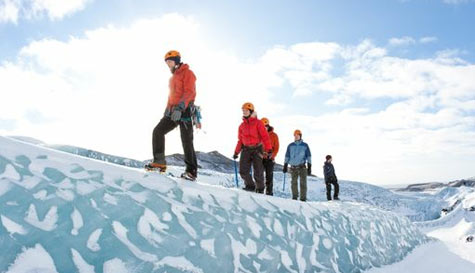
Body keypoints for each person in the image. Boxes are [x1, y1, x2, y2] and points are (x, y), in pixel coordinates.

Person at [145, 50, 198, 181]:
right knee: (158, 131)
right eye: (166, 62)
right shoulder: (172, 78)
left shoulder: (188, 73)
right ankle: (159, 162)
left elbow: (190, 92)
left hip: (184, 110)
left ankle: (191, 172)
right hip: (172, 111)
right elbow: (171, 96)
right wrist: (167, 111)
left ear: (177, 61)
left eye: (170, 61)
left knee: (186, 140)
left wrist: (180, 108)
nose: (168, 64)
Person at [233, 103, 272, 193]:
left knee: (258, 171)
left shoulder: (258, 123)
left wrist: (269, 149)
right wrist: (236, 152)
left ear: (251, 111)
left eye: (246, 110)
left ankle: (260, 189)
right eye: (243, 111)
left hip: (257, 149)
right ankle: (250, 186)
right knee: (243, 171)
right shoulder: (241, 126)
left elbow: (265, 137)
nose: (244, 112)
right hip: (246, 149)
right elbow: (240, 140)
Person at [283, 130, 311, 201]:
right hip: (293, 167)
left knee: (303, 183)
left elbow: (308, 156)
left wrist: (309, 165)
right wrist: (285, 164)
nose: (296, 137)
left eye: (297, 135)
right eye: (295, 135)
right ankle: (294, 198)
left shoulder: (305, 145)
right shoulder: (290, 145)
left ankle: (303, 199)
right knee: (293, 183)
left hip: (302, 167)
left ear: (300, 136)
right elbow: (287, 156)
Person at [261, 117, 279, 195]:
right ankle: (259, 191)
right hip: (260, 158)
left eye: (265, 126)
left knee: (269, 177)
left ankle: (269, 192)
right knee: (259, 176)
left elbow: (276, 147)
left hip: (270, 159)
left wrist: (272, 156)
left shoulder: (274, 135)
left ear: (268, 126)